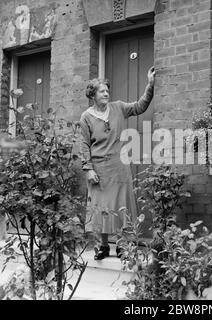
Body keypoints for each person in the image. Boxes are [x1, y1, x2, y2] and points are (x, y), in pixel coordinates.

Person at [79, 66, 155, 260]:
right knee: (101, 208)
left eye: (107, 90)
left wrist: (150, 85)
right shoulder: (86, 117)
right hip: (98, 169)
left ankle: (122, 246)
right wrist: (87, 169)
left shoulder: (119, 107)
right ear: (93, 95)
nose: (106, 93)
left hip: (119, 167)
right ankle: (103, 247)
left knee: (122, 206)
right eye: (102, 91)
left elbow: (140, 106)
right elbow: (83, 144)